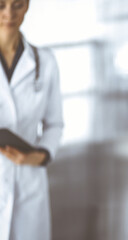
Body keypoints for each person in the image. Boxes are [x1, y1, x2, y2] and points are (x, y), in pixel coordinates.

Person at [0, 0, 63, 239]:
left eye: (17, 5)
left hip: (29, 179)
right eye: (1, 5)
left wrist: (40, 155)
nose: (9, 14)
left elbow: (55, 124)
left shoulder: (44, 62)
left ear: (26, 6)